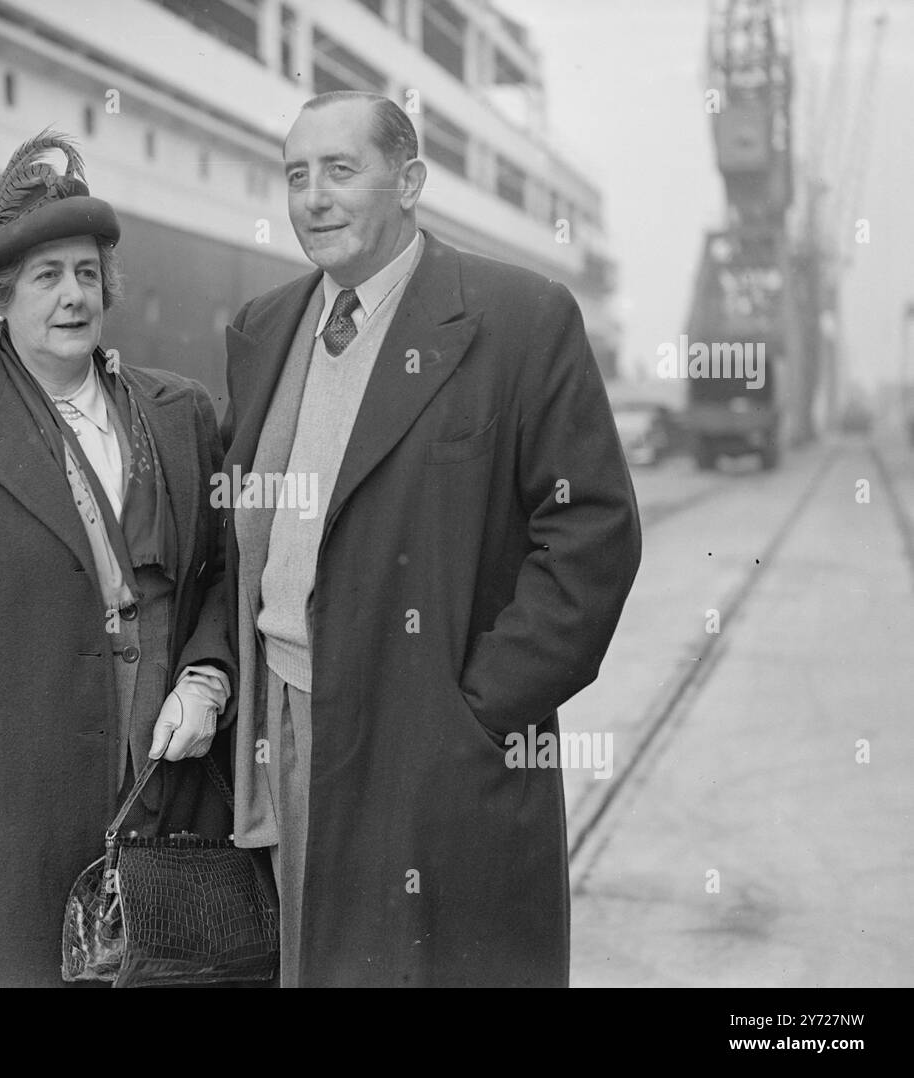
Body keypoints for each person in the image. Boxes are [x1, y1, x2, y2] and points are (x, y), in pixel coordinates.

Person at [182, 91, 643, 987]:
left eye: (341, 171)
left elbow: (592, 531)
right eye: (296, 175)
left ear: (411, 181)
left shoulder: (518, 319)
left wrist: (475, 711)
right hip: (280, 730)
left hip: (429, 734)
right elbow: (233, 532)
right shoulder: (265, 328)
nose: (313, 198)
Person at [0, 128, 233, 987]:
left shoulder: (180, 413)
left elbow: (221, 576)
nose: (74, 296)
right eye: (46, 276)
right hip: (7, 831)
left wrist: (208, 678)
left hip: (169, 808)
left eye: (88, 274)